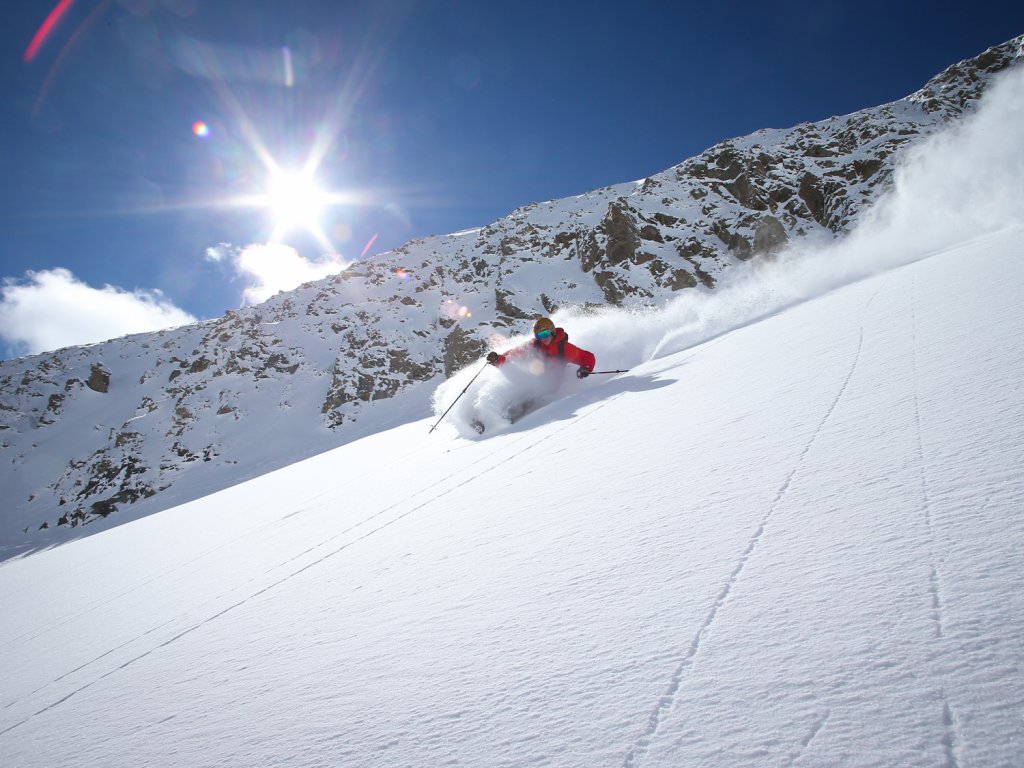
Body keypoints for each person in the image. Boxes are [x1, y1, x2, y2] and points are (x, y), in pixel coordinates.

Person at [486, 317, 595, 378]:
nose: (542, 339)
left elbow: (587, 356)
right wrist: (498, 359)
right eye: (539, 336)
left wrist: (585, 367)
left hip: (556, 378)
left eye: (544, 335)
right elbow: (515, 352)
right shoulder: (535, 344)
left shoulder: (564, 348)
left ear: (552, 332)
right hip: (538, 373)